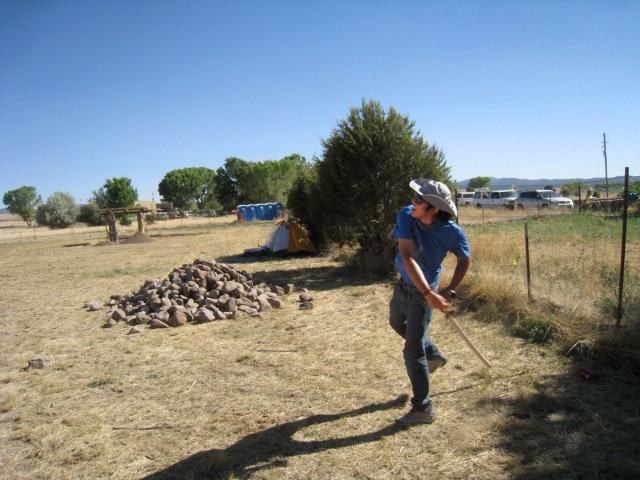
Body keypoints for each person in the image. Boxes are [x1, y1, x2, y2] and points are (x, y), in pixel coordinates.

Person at [389, 178, 471, 425]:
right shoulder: (407, 214)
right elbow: (406, 255)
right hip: (405, 287)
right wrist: (429, 294)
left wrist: (448, 291)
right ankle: (433, 353)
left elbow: (464, 259)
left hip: (421, 297)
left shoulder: (452, 233)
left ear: (434, 209)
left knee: (412, 353)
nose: (411, 202)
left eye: (418, 200)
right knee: (395, 323)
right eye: (413, 197)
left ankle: (423, 409)